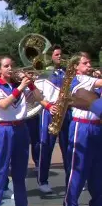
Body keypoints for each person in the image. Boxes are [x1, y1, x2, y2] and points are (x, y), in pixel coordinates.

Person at [0, 55, 47, 206]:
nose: (10, 69)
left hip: (21, 128)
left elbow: (39, 98)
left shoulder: (17, 85)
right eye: (6, 66)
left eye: (12, 65)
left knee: (20, 171)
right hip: (3, 129)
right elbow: (3, 104)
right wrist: (21, 87)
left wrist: (31, 84)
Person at [64, 52, 102, 206]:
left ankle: (97, 204)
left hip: (97, 126)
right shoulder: (79, 79)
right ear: (75, 67)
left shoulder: (91, 80)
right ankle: (70, 205)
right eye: (85, 63)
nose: (89, 66)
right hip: (82, 126)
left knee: (97, 168)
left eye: (89, 62)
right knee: (77, 167)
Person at [35, 45, 70, 193]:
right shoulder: (43, 73)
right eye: (56, 54)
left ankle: (71, 181)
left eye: (60, 54)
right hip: (49, 112)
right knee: (46, 147)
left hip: (66, 113)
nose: (59, 57)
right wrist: (48, 105)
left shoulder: (66, 73)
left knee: (68, 148)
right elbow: (36, 95)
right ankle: (42, 181)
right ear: (50, 56)